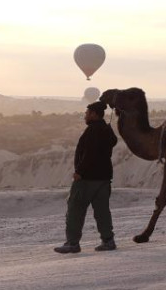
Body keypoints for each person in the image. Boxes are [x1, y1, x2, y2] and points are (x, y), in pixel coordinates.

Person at [55, 101, 118, 254]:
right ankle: (108, 240)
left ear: (94, 114)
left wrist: (80, 172)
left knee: (75, 210)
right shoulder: (106, 130)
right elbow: (113, 142)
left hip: (87, 178)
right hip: (103, 178)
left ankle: (72, 243)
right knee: (102, 211)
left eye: (87, 113)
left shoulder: (92, 131)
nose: (85, 116)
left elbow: (90, 154)